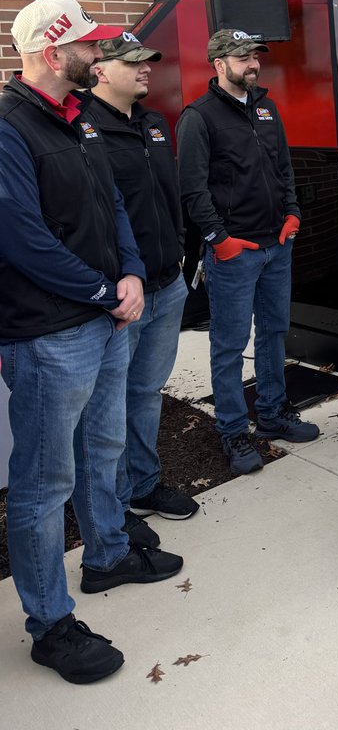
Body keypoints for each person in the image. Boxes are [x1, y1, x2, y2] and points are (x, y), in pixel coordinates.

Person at [0, 0, 183, 685]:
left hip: (105, 320)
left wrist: (132, 271)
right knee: (45, 484)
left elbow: (112, 208)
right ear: (54, 55)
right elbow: (20, 237)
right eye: (88, 48)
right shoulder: (11, 127)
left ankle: (106, 555)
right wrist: (106, 291)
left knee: (102, 447)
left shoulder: (77, 122)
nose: (99, 56)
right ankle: (50, 622)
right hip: (51, 336)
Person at [176, 29, 319, 477]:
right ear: (219, 64)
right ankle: (234, 430)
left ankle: (273, 414)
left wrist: (292, 212)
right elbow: (192, 189)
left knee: (275, 332)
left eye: (255, 57)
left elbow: (283, 167)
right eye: (243, 58)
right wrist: (219, 239)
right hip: (234, 253)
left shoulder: (266, 107)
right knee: (229, 345)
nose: (253, 65)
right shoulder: (197, 117)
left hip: (277, 245)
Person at [90, 32, 197, 534]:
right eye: (133, 63)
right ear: (101, 70)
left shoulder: (155, 123)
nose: (146, 69)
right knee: (106, 406)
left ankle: (144, 483)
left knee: (147, 391)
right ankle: (111, 507)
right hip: (121, 294)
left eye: (148, 61)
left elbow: (167, 194)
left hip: (167, 282)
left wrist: (179, 247)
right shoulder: (82, 126)